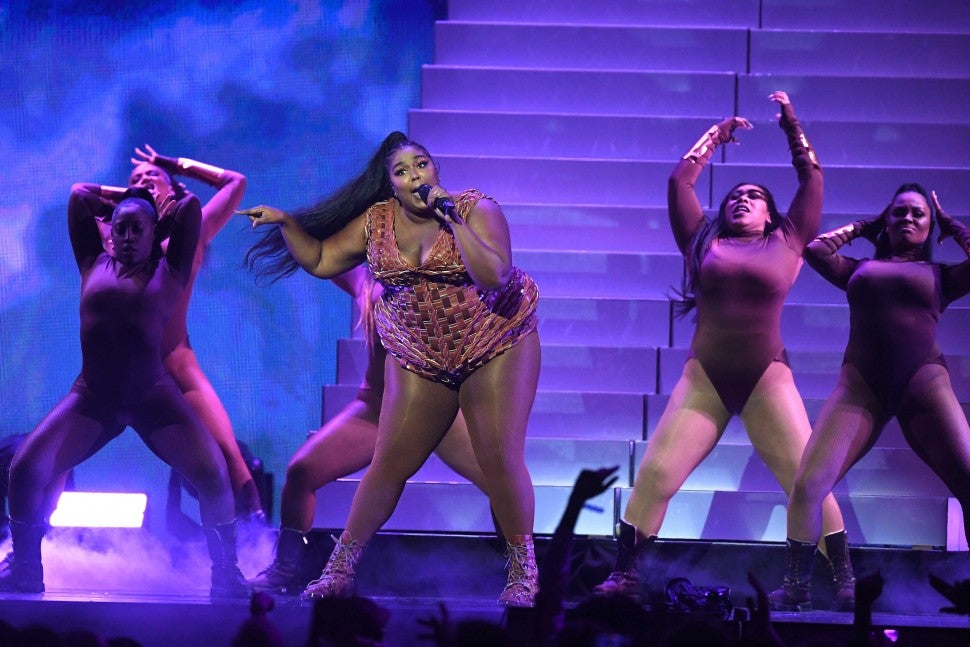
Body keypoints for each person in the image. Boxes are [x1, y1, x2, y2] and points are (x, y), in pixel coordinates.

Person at [241, 131, 541, 607]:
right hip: (422, 356)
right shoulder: (375, 223)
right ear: (392, 186)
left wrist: (451, 216)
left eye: (421, 165)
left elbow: (494, 275)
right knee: (388, 464)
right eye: (401, 172)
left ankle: (523, 573)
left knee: (500, 459)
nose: (414, 176)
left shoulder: (476, 209)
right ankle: (338, 571)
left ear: (436, 170)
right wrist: (286, 223)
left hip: (494, 340)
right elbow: (321, 259)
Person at [593, 91, 849, 602]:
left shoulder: (789, 240)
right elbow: (679, 183)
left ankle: (841, 581)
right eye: (734, 195)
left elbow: (813, 180)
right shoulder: (702, 242)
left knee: (806, 482)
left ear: (771, 214)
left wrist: (791, 124)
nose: (742, 200)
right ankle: (625, 576)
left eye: (754, 196)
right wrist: (715, 136)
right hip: (705, 377)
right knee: (656, 473)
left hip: (766, 377)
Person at [0, 185, 249, 598]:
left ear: (155, 233)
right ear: (110, 232)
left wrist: (153, 209)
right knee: (25, 469)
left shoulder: (170, 270)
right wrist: (127, 201)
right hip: (93, 398)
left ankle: (226, 575)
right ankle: (26, 569)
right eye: (121, 229)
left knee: (213, 474)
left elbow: (189, 208)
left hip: (153, 399)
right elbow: (79, 195)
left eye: (137, 229)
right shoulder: (93, 262)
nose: (128, 237)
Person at [770, 184, 970, 611]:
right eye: (899, 212)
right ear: (887, 220)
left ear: (930, 226)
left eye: (918, 214)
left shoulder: (942, 276)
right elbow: (816, 250)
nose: (907, 218)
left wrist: (953, 226)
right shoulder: (858, 270)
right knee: (807, 486)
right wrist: (866, 224)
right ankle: (796, 588)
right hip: (860, 389)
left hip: (925, 385)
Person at [248, 264, 493, 593]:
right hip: (377, 409)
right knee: (302, 471)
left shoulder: (452, 279)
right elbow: (322, 256)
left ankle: (525, 573)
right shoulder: (371, 281)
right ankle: (286, 569)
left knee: (501, 484)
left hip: (438, 410)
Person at [107, 146, 265, 522]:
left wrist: (172, 164)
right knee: (59, 452)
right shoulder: (117, 237)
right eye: (135, 180)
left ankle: (258, 538)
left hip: (176, 362)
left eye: (152, 177)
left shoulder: (194, 230)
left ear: (173, 190)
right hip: (123, 370)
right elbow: (81, 198)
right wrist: (129, 197)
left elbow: (235, 182)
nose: (144, 180)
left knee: (231, 459)